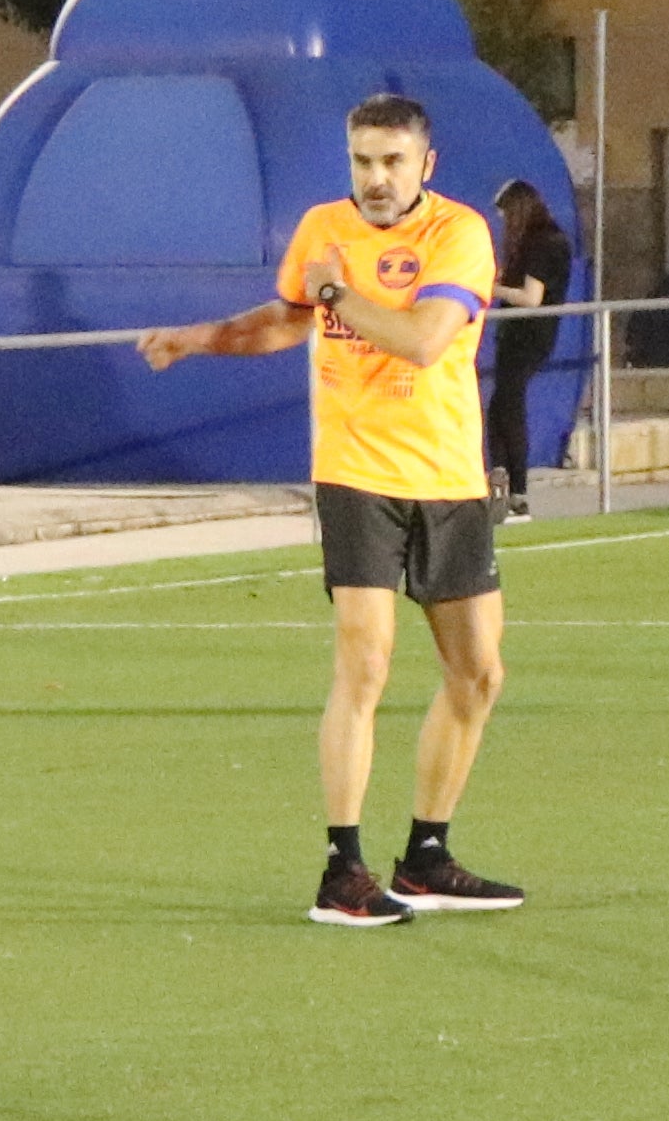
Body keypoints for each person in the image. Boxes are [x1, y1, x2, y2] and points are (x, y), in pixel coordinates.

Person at [138, 90, 519, 929]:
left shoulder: (458, 234)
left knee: (480, 671)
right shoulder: (323, 229)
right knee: (366, 664)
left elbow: (424, 339)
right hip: (355, 471)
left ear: (427, 164)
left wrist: (337, 296)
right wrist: (197, 337)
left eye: (392, 162)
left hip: (449, 476)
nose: (376, 179)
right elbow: (287, 320)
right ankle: (342, 869)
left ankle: (425, 857)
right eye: (362, 162)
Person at [484, 176, 575, 513]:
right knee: (500, 409)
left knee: (509, 405)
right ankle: (503, 482)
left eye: (507, 215)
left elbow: (531, 297)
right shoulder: (540, 242)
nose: (505, 223)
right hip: (519, 334)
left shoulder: (542, 243)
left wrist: (489, 289)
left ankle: (517, 490)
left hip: (528, 335)